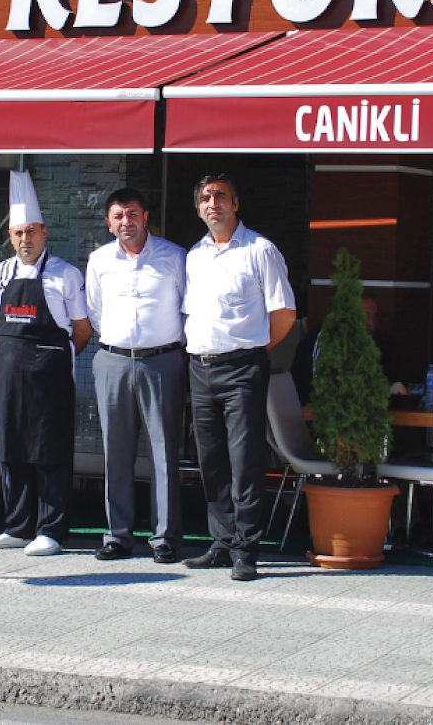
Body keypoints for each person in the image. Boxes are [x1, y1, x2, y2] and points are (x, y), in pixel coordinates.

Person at [182, 174, 296, 581]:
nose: (213, 203)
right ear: (198, 209)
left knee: (244, 460)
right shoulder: (194, 255)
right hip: (200, 367)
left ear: (235, 203)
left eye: (220, 196)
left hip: (242, 367)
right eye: (205, 198)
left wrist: (253, 350)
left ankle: (246, 549)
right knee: (211, 460)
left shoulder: (259, 250)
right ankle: (222, 542)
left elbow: (284, 314)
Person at [0, 172, 91, 557]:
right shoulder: (1, 273)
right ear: (10, 237)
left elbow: (82, 329)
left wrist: (56, 359)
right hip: (9, 373)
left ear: (44, 233)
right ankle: (17, 526)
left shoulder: (65, 274)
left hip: (50, 376)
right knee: (12, 447)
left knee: (49, 450)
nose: (25, 239)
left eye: (31, 231)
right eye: (18, 233)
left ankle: (51, 530)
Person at [85, 187, 187, 563]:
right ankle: (118, 535)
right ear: (108, 223)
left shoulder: (174, 257)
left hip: (162, 361)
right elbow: (95, 310)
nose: (126, 221)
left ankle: (165, 538)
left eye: (132, 214)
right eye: (118, 216)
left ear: (145, 217)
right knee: (116, 451)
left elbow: (186, 308)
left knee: (164, 452)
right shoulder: (98, 260)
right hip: (113, 360)